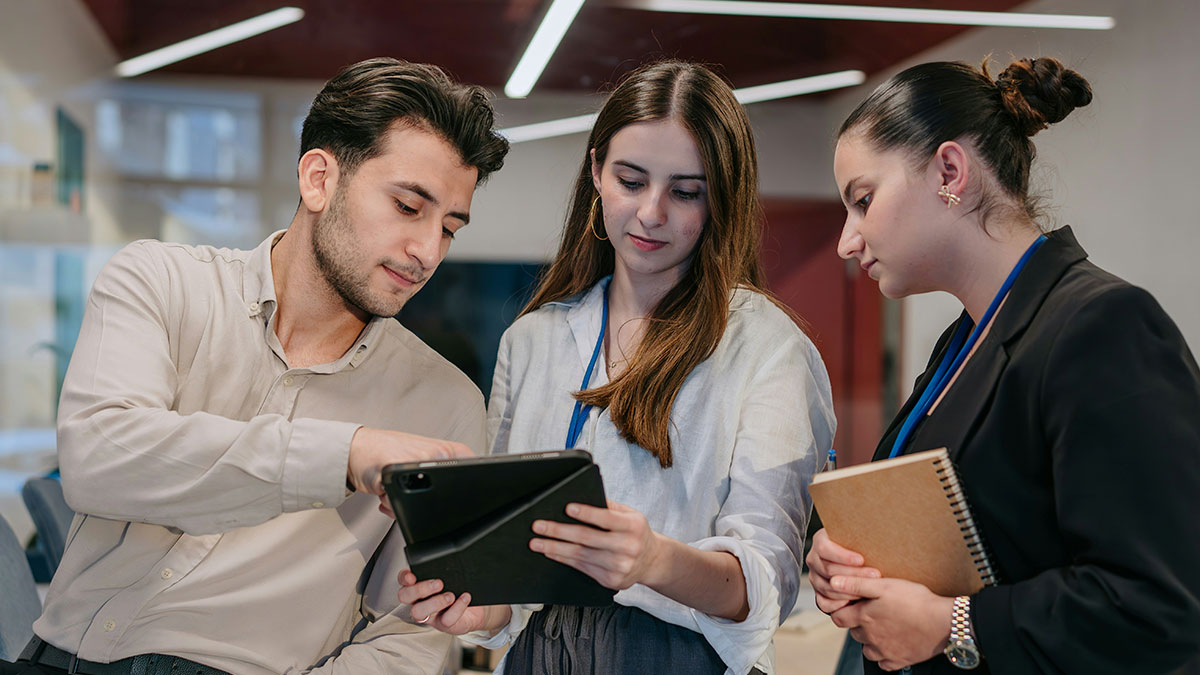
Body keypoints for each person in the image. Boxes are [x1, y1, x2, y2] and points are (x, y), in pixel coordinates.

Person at [3, 58, 509, 674]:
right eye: (408, 207)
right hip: (61, 659)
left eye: (450, 227)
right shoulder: (161, 282)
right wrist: (344, 456)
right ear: (319, 179)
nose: (428, 251)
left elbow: (409, 634)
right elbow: (99, 459)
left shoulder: (445, 403)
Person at [399, 60, 836, 675]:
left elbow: (767, 586)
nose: (652, 213)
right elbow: (508, 568)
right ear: (598, 172)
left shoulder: (765, 346)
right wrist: (484, 612)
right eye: (631, 180)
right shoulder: (535, 339)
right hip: (539, 655)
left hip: (678, 657)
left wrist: (656, 560)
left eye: (686, 192)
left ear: (721, 201)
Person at [808, 56, 1200, 674]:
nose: (847, 241)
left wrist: (953, 624)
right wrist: (852, 556)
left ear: (950, 170)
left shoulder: (1103, 326)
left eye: (863, 200)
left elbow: (1162, 605)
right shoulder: (964, 341)